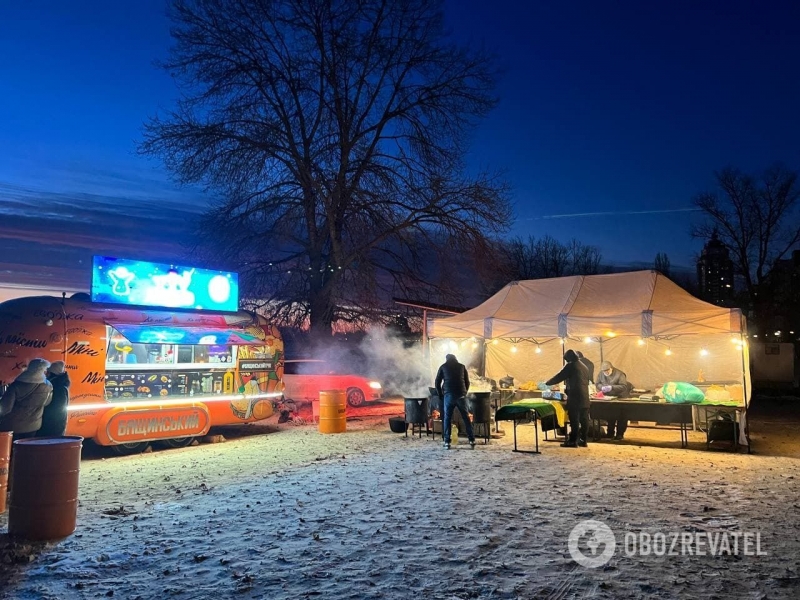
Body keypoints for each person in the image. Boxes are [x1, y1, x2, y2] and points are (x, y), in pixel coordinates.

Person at [0, 359, 54, 441]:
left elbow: (6, 408)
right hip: (34, 426)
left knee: (12, 450)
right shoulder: (48, 385)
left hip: (13, 426)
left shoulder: (16, 385)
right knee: (27, 449)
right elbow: (47, 403)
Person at [546, 350, 590, 447]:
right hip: (585, 396)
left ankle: (573, 441)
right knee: (584, 419)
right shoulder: (584, 366)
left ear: (569, 359)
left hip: (575, 396)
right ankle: (584, 440)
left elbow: (559, 376)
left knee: (574, 420)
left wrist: (547, 383)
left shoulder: (571, 365)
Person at [434, 354, 475, 450]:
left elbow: (437, 382)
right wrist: (464, 392)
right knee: (466, 418)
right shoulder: (462, 366)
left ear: (447, 359)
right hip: (461, 396)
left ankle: (447, 442)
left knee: (447, 418)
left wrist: (440, 394)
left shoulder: (443, 367)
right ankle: (471, 440)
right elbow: (467, 382)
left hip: (448, 395)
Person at [596, 361, 633, 440]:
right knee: (610, 416)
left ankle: (620, 434)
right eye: (604, 371)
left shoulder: (620, 374)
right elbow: (597, 383)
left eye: (607, 370)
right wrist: (601, 387)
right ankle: (610, 433)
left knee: (621, 417)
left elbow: (624, 386)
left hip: (621, 398)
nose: (606, 372)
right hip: (609, 398)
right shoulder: (601, 374)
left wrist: (612, 387)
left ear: (611, 368)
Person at [38, 361, 70, 437]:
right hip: (57, 424)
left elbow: (55, 408)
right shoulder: (61, 386)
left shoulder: (56, 387)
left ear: (52, 373)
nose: (46, 374)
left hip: (52, 424)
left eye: (48, 372)